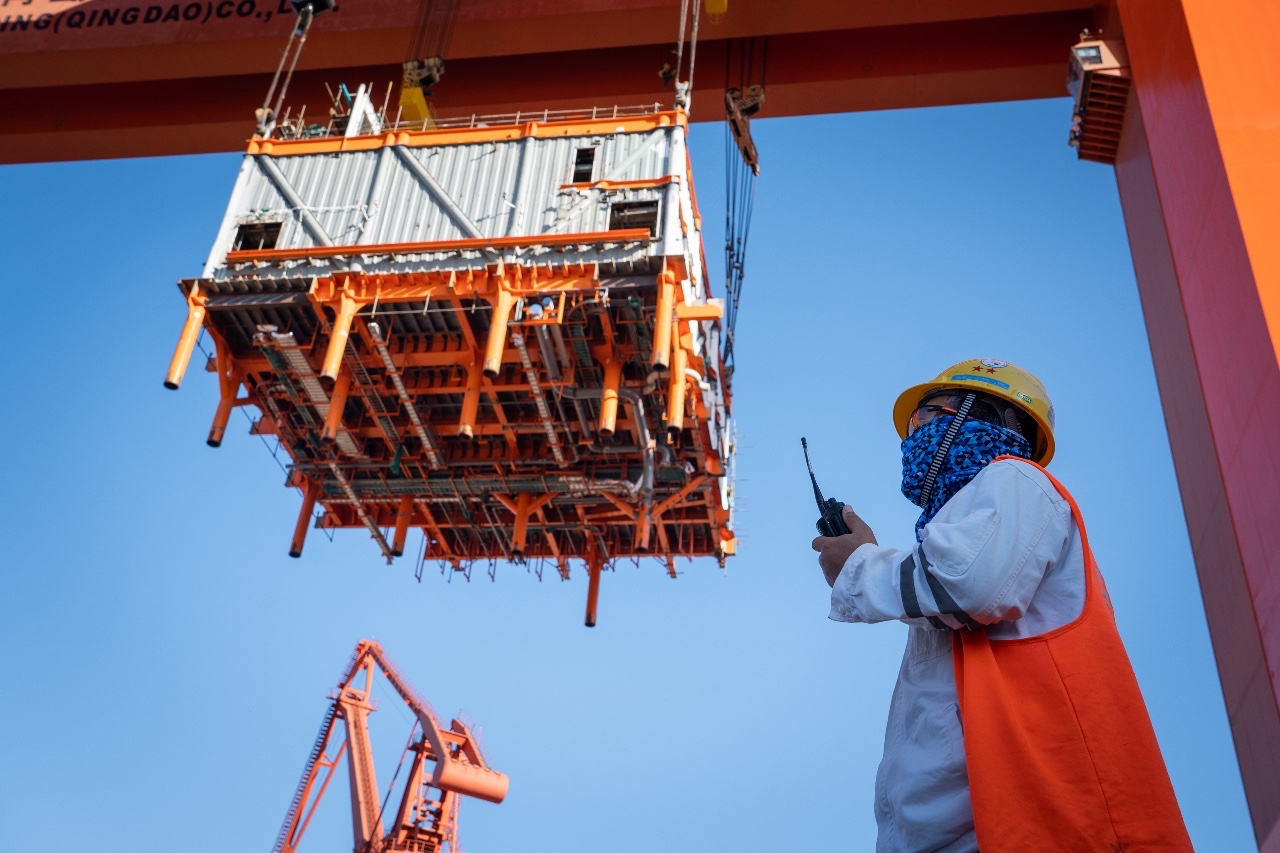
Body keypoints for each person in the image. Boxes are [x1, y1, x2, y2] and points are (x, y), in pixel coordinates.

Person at [812, 359, 1193, 853]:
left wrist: (860, 567)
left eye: (924, 420)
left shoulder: (1016, 480)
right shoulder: (972, 523)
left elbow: (968, 586)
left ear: (976, 414)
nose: (912, 439)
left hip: (1034, 824)